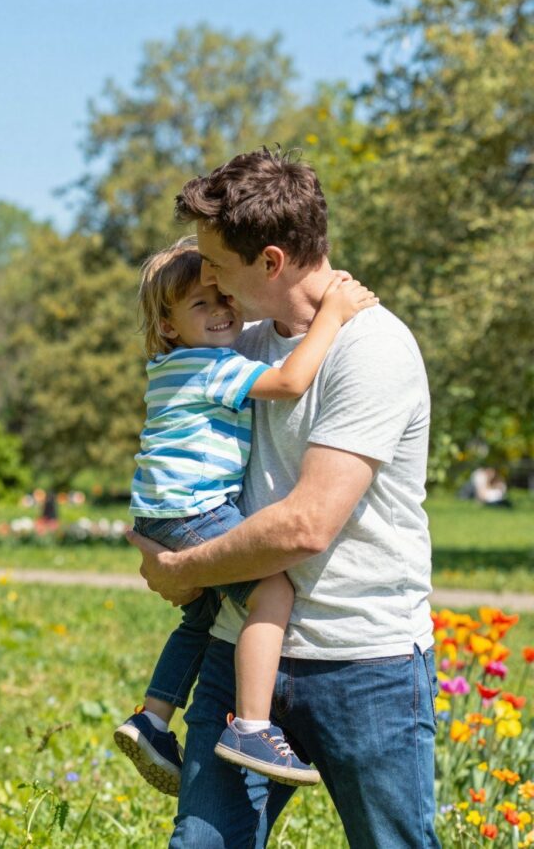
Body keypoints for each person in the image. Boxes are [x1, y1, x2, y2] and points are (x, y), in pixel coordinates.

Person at [131, 148, 436, 848]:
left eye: (214, 262)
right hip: (240, 651)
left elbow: (305, 527)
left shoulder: (371, 351)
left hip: (363, 664)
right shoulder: (233, 344)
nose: (205, 275)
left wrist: (184, 570)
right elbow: (177, 454)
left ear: (269, 261)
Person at [113, 238, 376, 795]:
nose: (222, 310)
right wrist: (332, 315)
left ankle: (153, 718)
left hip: (165, 510)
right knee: (273, 590)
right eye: (200, 305)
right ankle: (253, 727)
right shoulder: (211, 366)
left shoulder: (169, 365)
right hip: (195, 510)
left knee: (204, 614)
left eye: (222, 298)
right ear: (167, 324)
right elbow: (289, 382)